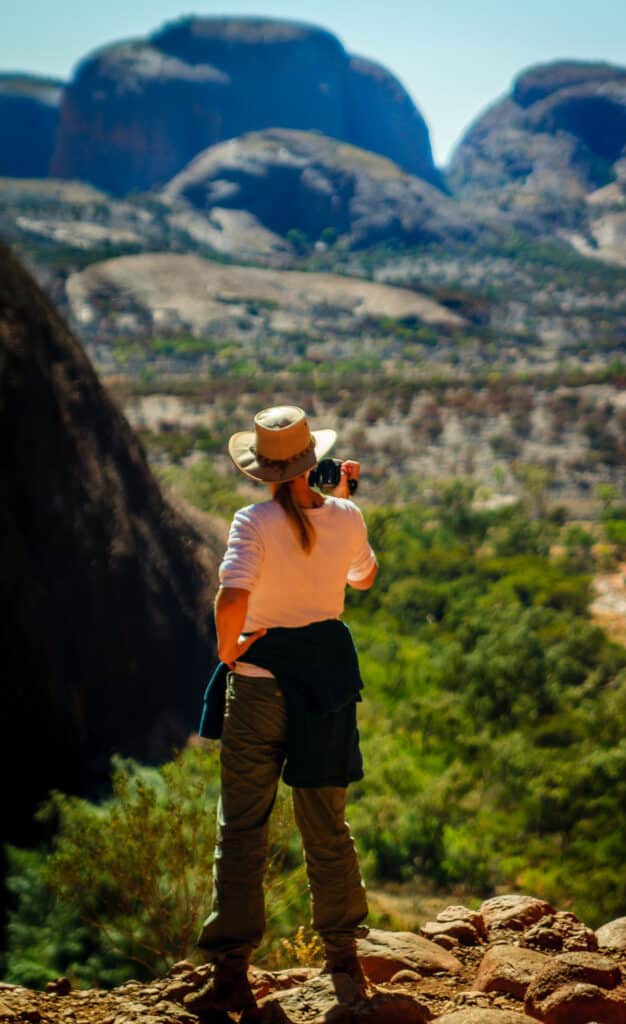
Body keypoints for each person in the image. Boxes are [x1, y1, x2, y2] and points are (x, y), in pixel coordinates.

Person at [186, 405, 378, 1016]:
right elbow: (363, 578)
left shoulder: (254, 520)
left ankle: (231, 973)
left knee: (242, 825)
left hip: (260, 684)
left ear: (263, 470)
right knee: (325, 818)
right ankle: (344, 959)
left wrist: (227, 649)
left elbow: (233, 594)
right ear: (313, 462)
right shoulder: (346, 516)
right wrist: (343, 499)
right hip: (324, 686)